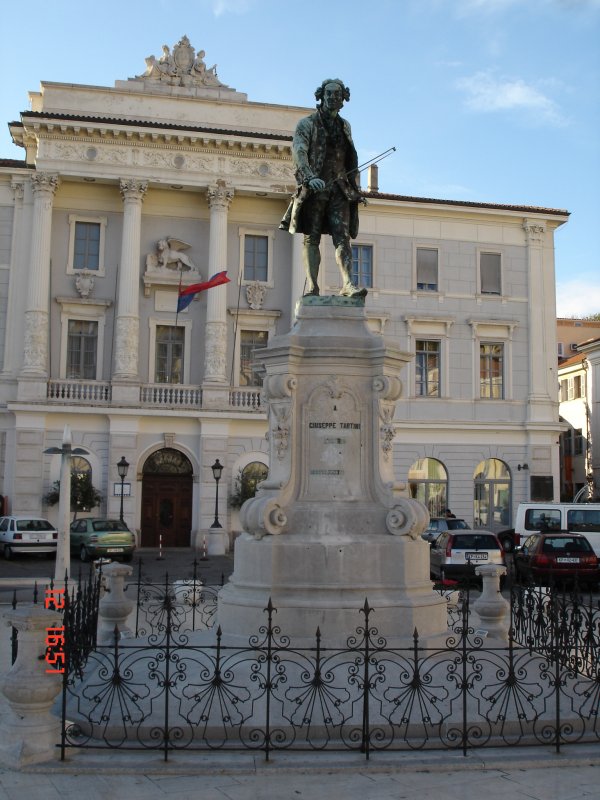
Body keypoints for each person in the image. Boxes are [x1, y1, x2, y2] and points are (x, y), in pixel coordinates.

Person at [279, 78, 366, 298]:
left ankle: (347, 284)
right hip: (316, 188)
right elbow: (299, 152)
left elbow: (349, 158)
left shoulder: (345, 126)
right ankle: (312, 287)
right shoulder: (306, 124)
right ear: (321, 96)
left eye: (337, 94)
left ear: (343, 98)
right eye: (328, 94)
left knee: (342, 236)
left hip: (339, 188)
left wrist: (355, 190)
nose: (332, 98)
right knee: (311, 237)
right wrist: (309, 177)